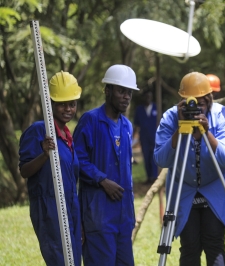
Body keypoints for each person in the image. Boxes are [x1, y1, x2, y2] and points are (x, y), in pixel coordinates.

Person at [154, 72, 225, 266]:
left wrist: (207, 133)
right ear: (182, 100)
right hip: (185, 188)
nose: (197, 107)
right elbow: (161, 159)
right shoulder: (170, 117)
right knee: (189, 246)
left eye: (202, 102)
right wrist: (180, 128)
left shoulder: (220, 114)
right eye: (192, 101)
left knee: (215, 243)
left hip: (215, 187)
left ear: (209, 99)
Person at [73, 64, 138, 266]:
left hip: (123, 216)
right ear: (107, 91)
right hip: (98, 214)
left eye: (129, 92)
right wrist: (101, 180)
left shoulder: (127, 126)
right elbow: (77, 161)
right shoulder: (90, 121)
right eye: (121, 91)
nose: (126, 96)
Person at [19, 71, 82, 265]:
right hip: (49, 209)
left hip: (71, 206)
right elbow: (24, 171)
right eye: (62, 104)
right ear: (51, 104)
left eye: (72, 104)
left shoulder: (66, 135)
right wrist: (44, 154)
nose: (68, 109)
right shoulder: (39, 130)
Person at [133, 89, 158, 184]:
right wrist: (133, 137)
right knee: (146, 156)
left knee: (154, 157)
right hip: (144, 137)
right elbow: (136, 125)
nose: (148, 98)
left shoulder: (156, 107)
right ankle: (149, 177)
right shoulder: (139, 109)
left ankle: (154, 177)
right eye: (146, 96)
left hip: (155, 136)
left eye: (149, 96)